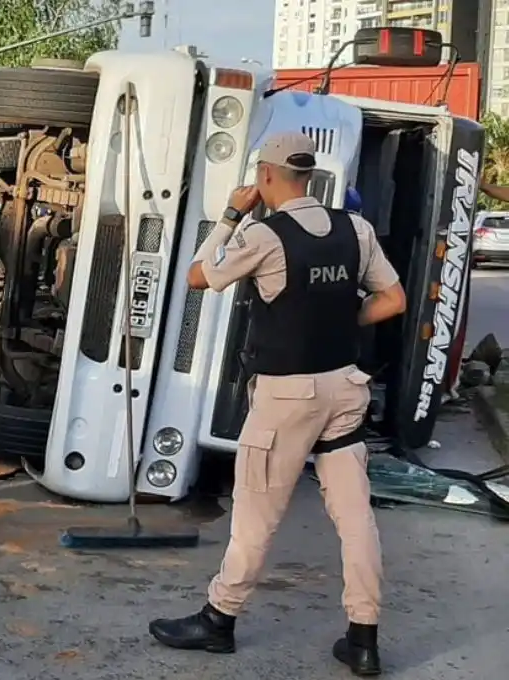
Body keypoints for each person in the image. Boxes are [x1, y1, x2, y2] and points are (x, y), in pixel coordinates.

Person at [147, 132, 407, 676]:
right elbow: (393, 299)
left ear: (266, 177)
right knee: (356, 518)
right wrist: (343, 322)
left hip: (287, 396)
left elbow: (200, 275)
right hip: (346, 389)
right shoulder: (354, 229)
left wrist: (228, 216)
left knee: (255, 517)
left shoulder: (265, 235)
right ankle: (363, 638)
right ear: (307, 175)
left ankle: (219, 619)